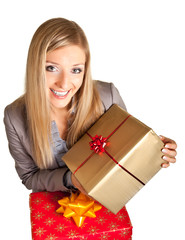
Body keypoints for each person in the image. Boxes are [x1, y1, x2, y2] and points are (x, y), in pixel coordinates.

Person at [4, 18, 177, 195]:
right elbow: (29, 177)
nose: (64, 84)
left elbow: (127, 153)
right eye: (51, 68)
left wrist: (155, 150)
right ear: (35, 66)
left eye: (76, 70)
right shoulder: (14, 116)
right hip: (52, 213)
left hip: (105, 207)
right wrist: (69, 179)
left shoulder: (107, 97)